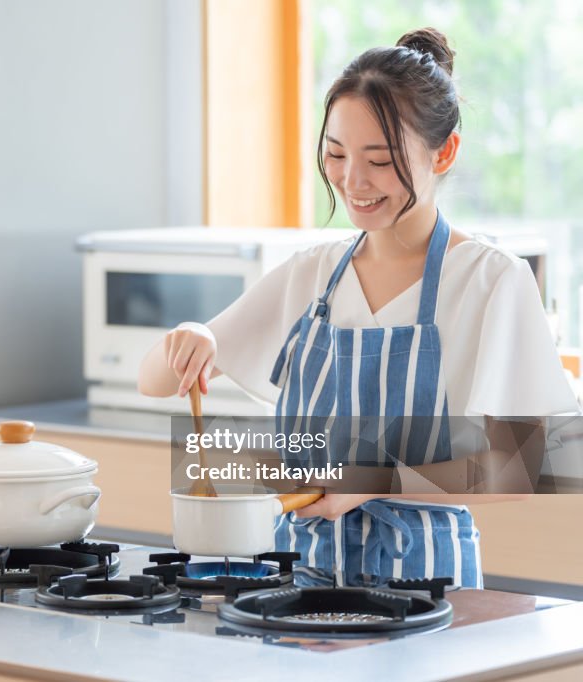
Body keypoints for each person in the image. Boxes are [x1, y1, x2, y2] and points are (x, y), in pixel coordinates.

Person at [138, 27, 579, 588]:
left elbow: (529, 465)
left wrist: (376, 481)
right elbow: (154, 380)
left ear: (444, 152)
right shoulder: (313, 274)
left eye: (380, 159)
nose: (353, 181)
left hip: (423, 588)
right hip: (293, 580)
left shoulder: (491, 280)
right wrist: (192, 334)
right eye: (336, 155)